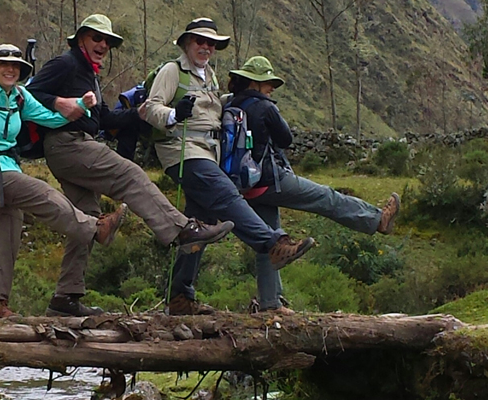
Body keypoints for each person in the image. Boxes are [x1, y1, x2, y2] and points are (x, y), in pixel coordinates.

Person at [26, 14, 235, 317]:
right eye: (97, 38)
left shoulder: (88, 74)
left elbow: (105, 120)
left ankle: (65, 298)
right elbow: (27, 93)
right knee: (129, 174)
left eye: (107, 41)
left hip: (74, 143)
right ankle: (182, 229)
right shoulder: (66, 64)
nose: (102, 45)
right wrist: (60, 102)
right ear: (81, 38)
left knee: (87, 218)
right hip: (67, 144)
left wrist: (139, 113)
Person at [0, 43, 127, 319]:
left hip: (8, 168)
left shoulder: (20, 98)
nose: (10, 69)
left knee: (10, 227)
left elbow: (48, 118)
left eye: (16, 66)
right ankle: (95, 229)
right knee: (41, 192)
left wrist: (79, 107)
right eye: (4, 65)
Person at [143, 18, 315, 316]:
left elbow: (217, 109)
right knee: (226, 195)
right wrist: (173, 113)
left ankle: (180, 297)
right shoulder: (172, 71)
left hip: (209, 151)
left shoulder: (209, 75)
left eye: (211, 43)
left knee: (200, 224)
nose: (206, 47)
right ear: (187, 43)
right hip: (182, 150)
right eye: (200, 41)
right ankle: (273, 244)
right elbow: (150, 107)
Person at [226, 56, 401, 314]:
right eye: (268, 82)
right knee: (326, 198)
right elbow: (285, 139)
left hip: (246, 186)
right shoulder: (264, 107)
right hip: (271, 180)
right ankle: (377, 220)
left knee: (269, 241)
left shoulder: (231, 105)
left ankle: (270, 304)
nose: (272, 88)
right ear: (255, 81)